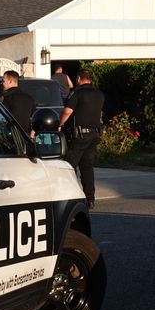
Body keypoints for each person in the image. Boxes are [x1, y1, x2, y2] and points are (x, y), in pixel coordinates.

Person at [58, 68, 104, 208]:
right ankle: (90, 199)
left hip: (79, 137)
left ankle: (71, 198)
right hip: (94, 135)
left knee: (69, 167)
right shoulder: (99, 94)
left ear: (78, 79)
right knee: (87, 168)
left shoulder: (77, 94)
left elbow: (67, 112)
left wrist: (59, 125)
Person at [0, 70, 35, 136]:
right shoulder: (29, 98)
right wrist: (31, 137)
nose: (2, 83)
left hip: (9, 137)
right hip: (25, 137)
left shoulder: (6, 97)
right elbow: (34, 119)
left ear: (10, 82)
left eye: (3, 81)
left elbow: (0, 119)